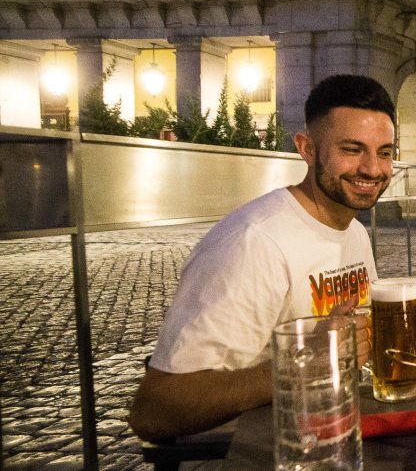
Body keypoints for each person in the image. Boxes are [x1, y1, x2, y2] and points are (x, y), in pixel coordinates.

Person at [128, 75, 397, 441]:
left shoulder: (354, 233)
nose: (373, 169)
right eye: (352, 149)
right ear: (307, 149)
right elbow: (156, 409)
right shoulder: (254, 242)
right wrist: (302, 363)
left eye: (384, 152)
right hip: (254, 453)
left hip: (330, 434)